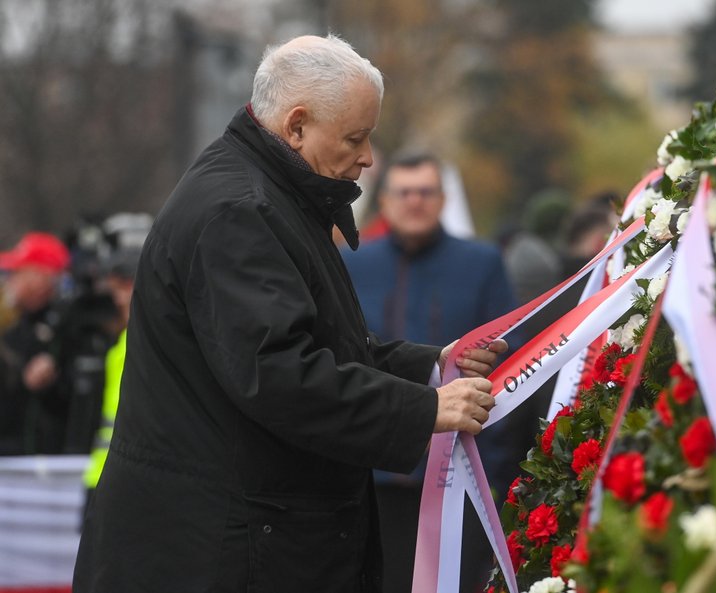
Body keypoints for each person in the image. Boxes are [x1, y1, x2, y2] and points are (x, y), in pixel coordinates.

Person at [73, 35, 505, 593]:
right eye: (356, 137)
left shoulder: (267, 194)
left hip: (243, 534)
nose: (369, 156)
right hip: (223, 549)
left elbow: (327, 345)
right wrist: (425, 409)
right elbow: (277, 372)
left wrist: (433, 365)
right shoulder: (240, 210)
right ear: (296, 126)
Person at [343, 152, 519, 593]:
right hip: (368, 476)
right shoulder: (350, 264)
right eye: (404, 192)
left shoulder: (481, 264)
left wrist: (494, 474)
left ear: (443, 200)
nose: (415, 202)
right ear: (384, 200)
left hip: (458, 475)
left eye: (426, 192)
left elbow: (507, 364)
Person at [81, 248, 141, 518]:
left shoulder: (142, 341)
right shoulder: (122, 342)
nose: (116, 300)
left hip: (124, 479)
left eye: (122, 288)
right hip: (106, 475)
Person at [0, 231, 71, 455]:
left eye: (17, 273)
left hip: (42, 461)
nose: (8, 280)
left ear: (41, 279)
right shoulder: (13, 323)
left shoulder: (64, 330)